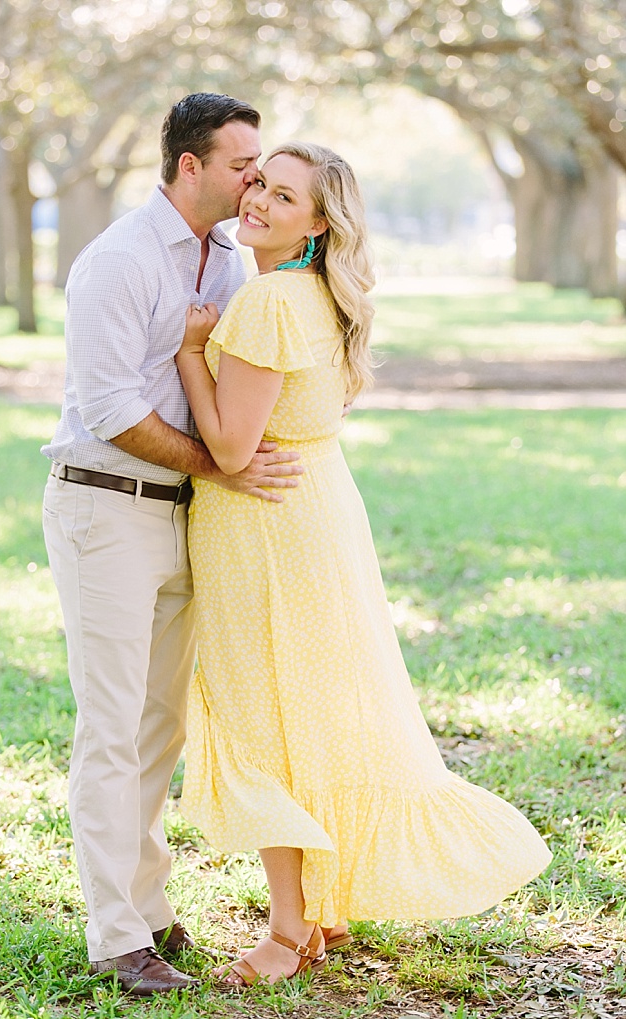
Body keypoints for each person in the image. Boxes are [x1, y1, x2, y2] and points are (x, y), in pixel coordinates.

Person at [174, 141, 553, 986]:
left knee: (265, 721)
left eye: (283, 196)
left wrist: (189, 358)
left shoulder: (269, 299)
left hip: (263, 527)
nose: (260, 202)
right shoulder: (317, 296)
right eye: (259, 185)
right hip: (318, 517)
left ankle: (286, 931)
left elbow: (233, 447)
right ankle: (320, 907)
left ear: (317, 223)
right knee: (315, 713)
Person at [41, 93, 305, 996]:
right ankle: (116, 936)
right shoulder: (116, 260)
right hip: (105, 507)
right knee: (111, 729)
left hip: (186, 514)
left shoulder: (232, 257)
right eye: (242, 167)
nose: (254, 182)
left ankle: (147, 909)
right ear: (189, 166)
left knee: (160, 726)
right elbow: (112, 410)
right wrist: (223, 466)